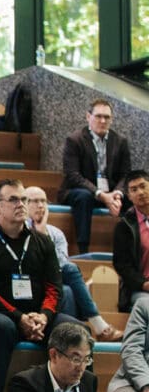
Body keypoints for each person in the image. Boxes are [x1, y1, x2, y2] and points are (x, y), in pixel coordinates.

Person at [0, 179, 80, 392]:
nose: (21, 204)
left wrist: (45, 316)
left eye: (24, 199)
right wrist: (20, 317)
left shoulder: (42, 242)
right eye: (14, 199)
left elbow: (54, 287)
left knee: (75, 331)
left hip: (37, 317)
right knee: (3, 327)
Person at [27, 185, 121, 341]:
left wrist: (44, 233)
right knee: (71, 269)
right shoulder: (18, 230)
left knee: (68, 291)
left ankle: (71, 340)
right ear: (24, 204)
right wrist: (40, 236)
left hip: (52, 280)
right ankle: (98, 325)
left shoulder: (56, 233)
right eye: (35, 201)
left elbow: (58, 265)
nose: (41, 205)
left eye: (44, 201)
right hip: (27, 281)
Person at [59, 98, 130, 254]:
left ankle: (130, 251)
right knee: (84, 197)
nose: (103, 121)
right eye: (98, 116)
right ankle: (83, 250)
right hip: (80, 191)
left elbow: (126, 175)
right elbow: (73, 175)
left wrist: (117, 194)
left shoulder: (120, 142)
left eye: (107, 117)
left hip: (111, 193)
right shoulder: (75, 140)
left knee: (136, 198)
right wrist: (101, 195)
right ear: (88, 117)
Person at [113, 170, 149, 311]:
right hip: (141, 289)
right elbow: (122, 265)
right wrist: (144, 284)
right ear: (129, 196)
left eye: (143, 186)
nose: (140, 192)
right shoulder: (124, 226)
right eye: (134, 190)